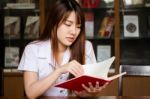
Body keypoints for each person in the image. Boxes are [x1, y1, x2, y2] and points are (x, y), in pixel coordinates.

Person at [18, 0, 108, 98]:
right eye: (68, 24)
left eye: (78, 27)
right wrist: (60, 70)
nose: (74, 32)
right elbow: (31, 93)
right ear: (53, 23)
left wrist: (90, 92)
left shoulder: (86, 47)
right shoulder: (33, 49)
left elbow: (85, 94)